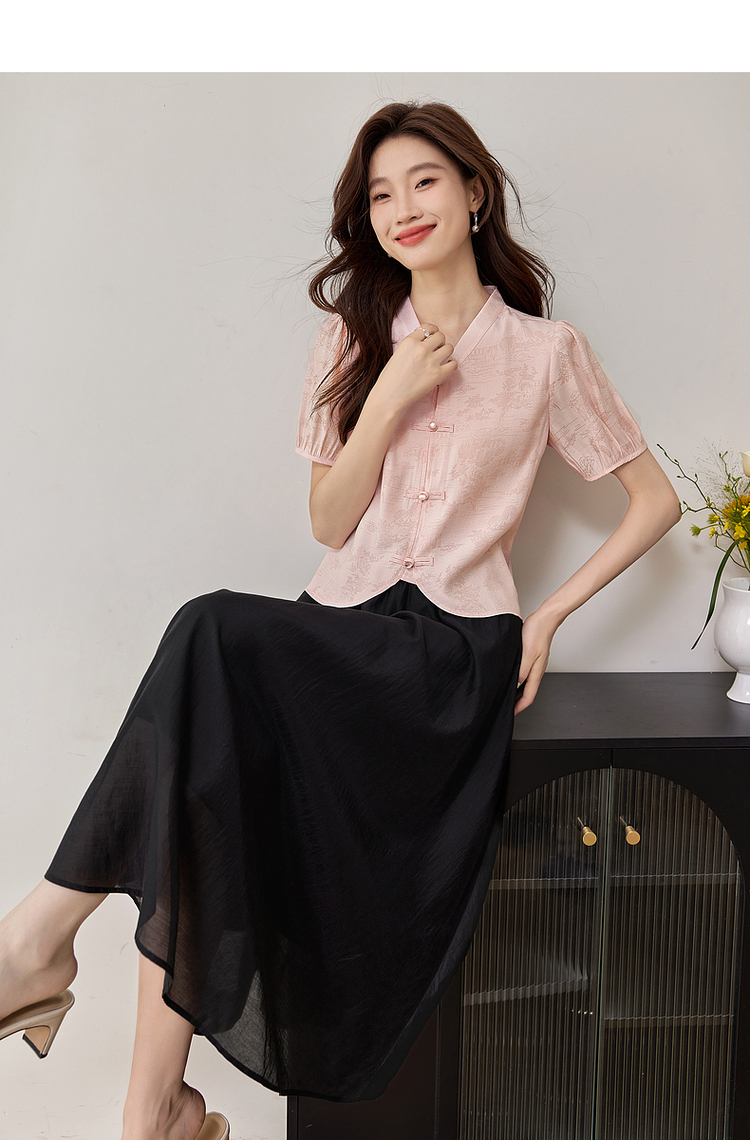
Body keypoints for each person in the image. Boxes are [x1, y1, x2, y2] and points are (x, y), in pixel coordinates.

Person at [0, 100, 681, 1140]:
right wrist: (390, 394)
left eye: (424, 181)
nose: (403, 207)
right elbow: (328, 522)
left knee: (210, 631)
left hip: (448, 654)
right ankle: (152, 1109)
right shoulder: (350, 339)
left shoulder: (546, 353)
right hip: (341, 633)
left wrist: (545, 620)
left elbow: (655, 503)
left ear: (474, 192)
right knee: (204, 766)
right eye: (380, 194)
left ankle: (40, 951)